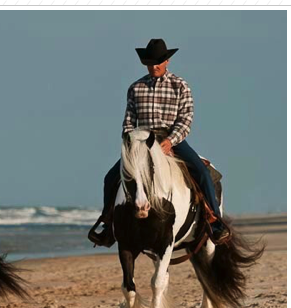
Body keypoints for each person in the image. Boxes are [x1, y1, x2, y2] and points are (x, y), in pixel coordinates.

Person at [88, 38, 231, 247]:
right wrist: (130, 144)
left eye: (157, 63)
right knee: (110, 177)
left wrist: (170, 142)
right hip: (142, 142)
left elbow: (186, 118)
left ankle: (215, 222)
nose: (153, 67)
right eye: (149, 63)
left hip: (171, 138)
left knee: (202, 171)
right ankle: (108, 225)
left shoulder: (180, 86)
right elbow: (129, 121)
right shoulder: (135, 88)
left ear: (167, 61)